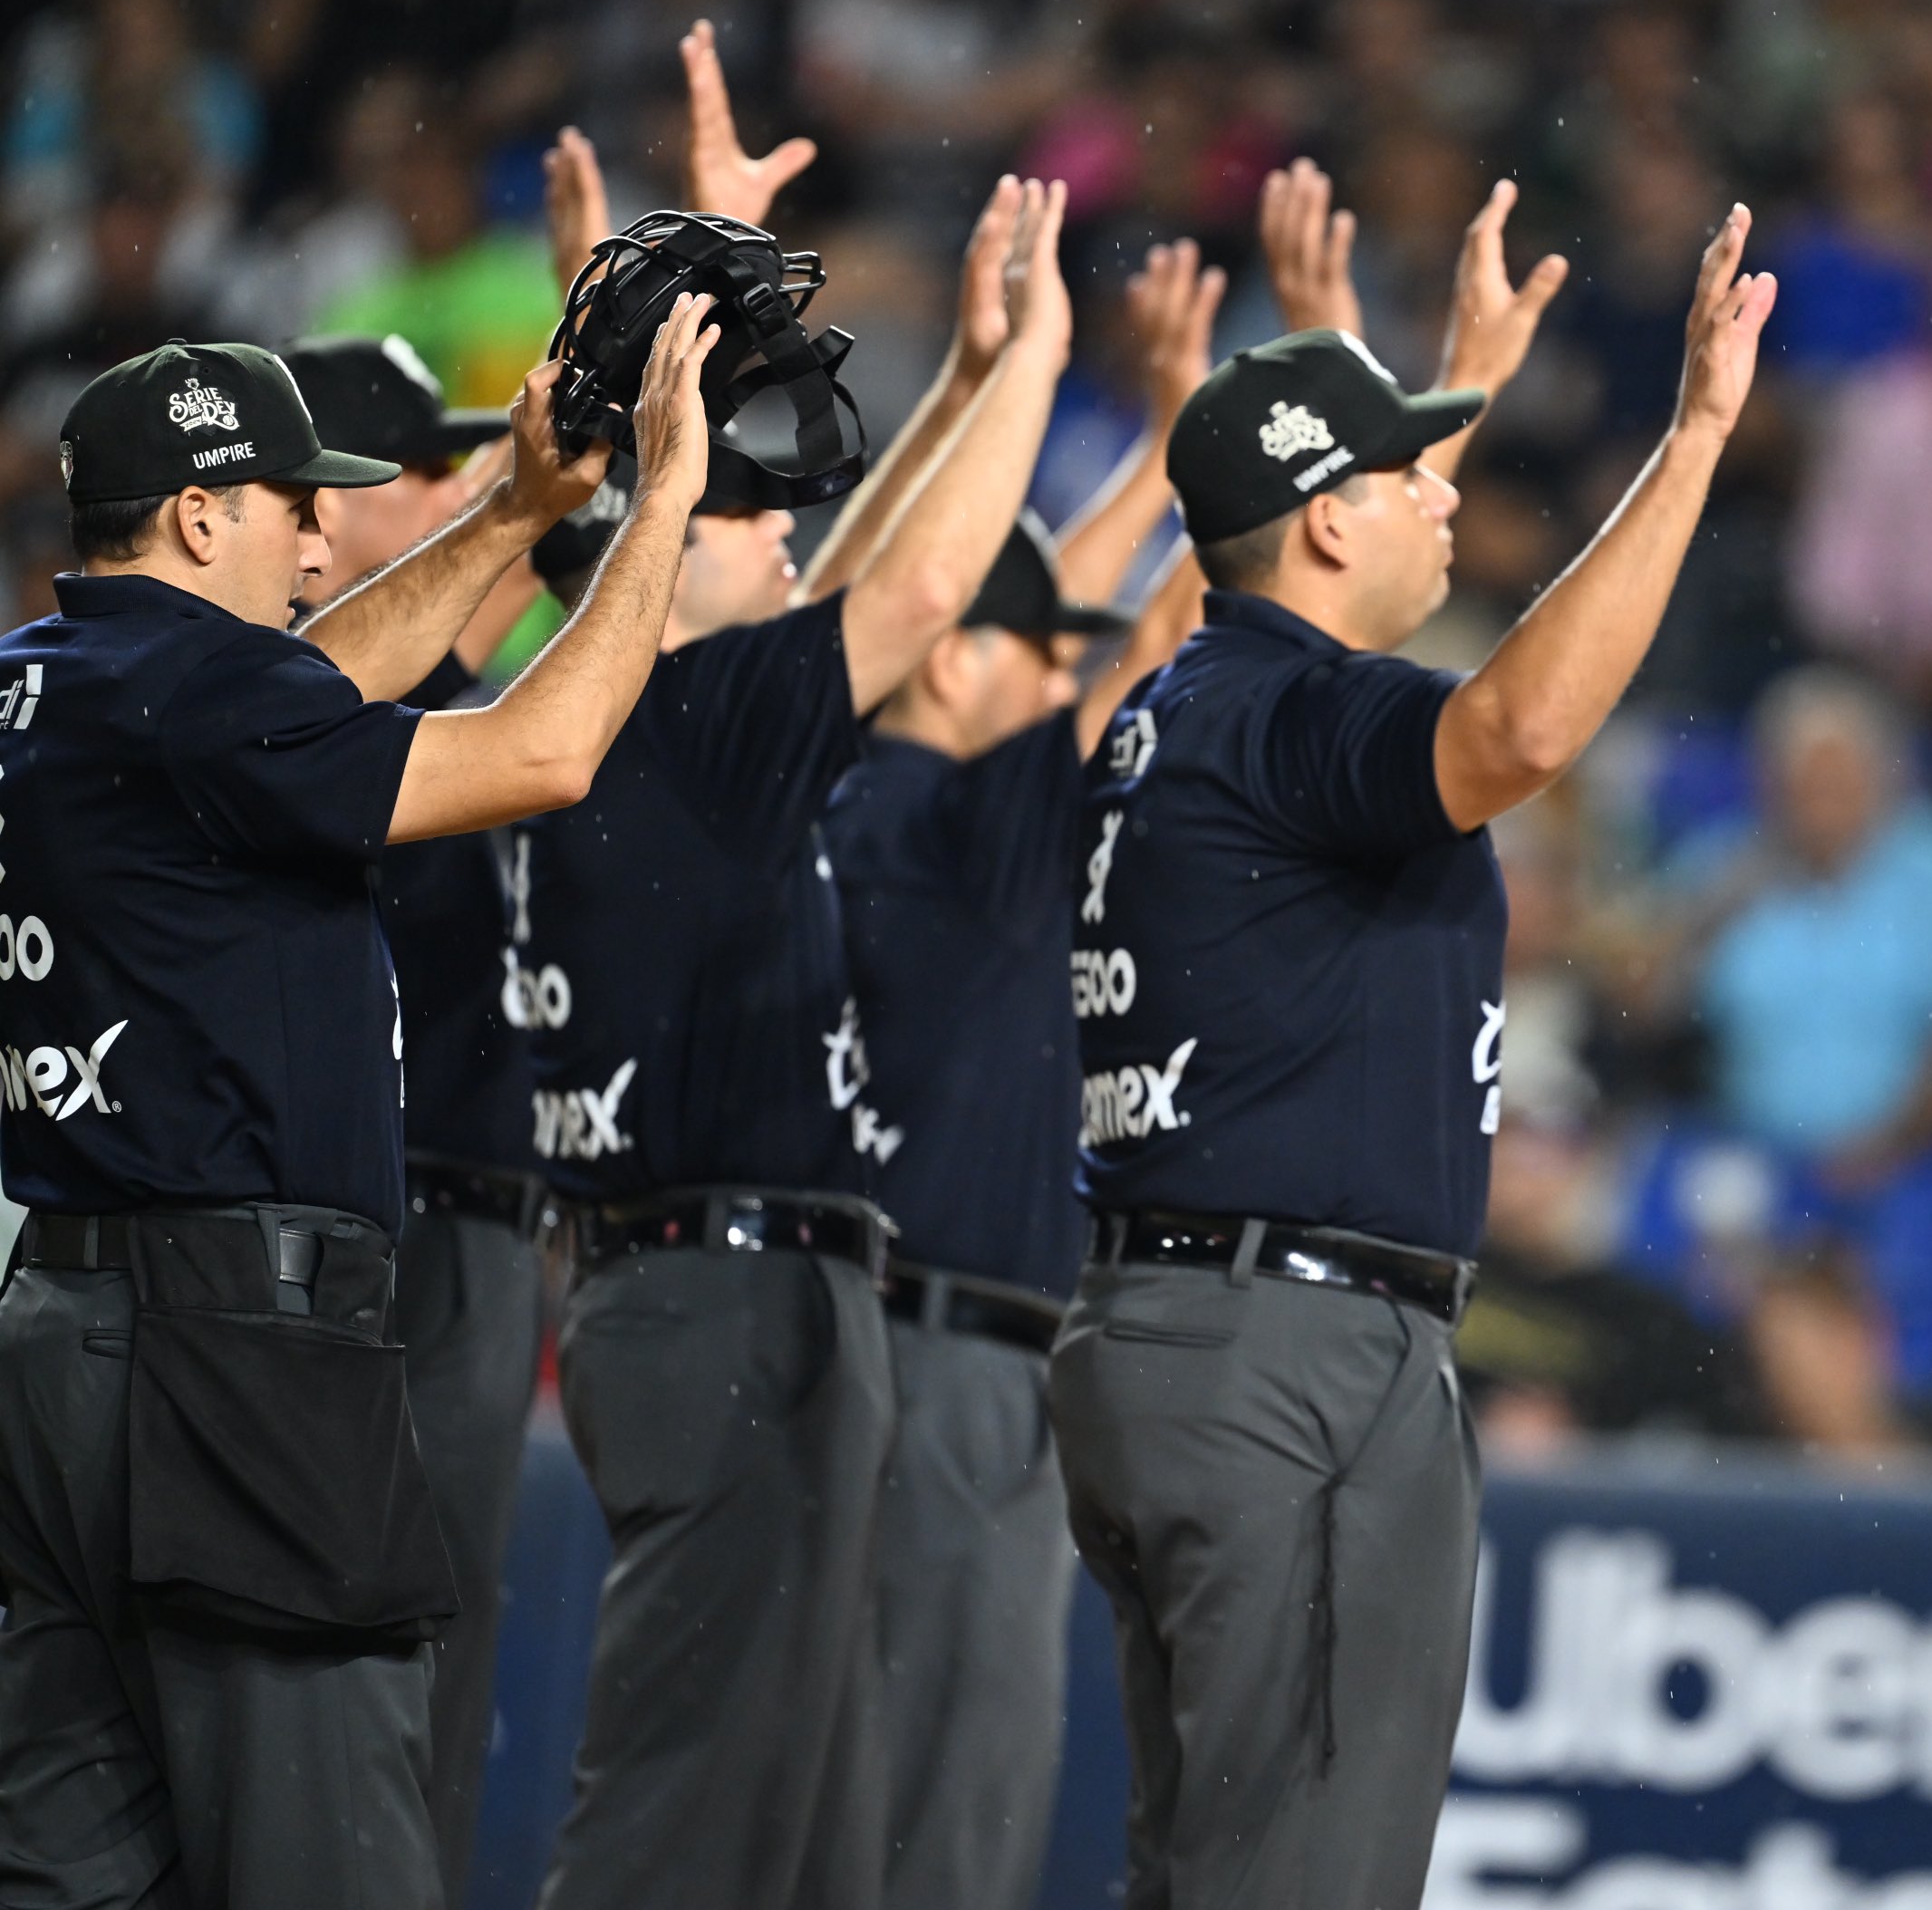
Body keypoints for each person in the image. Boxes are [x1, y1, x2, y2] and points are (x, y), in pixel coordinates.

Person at [1053, 191, 1773, 1906]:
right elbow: (1520, 724)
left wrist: (1435, 380)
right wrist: (1693, 441)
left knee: (1208, 1869)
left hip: (1176, 1328)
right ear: (1316, 525)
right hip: (1292, 1354)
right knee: (1299, 1877)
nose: (1448, 493)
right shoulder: (1302, 715)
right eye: (1406, 476)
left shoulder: (1182, 708)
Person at [0, 303, 713, 1909]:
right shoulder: (195, 702)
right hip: (233, 1362)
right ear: (200, 513)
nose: (324, 530)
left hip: (60, 1334)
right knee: (333, 1861)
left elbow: (295, 694)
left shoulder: (50, 686)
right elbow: (540, 752)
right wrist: (655, 510)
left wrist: (515, 517)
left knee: (72, 1868)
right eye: (295, 500)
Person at [525, 175, 1073, 1910]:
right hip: (724, 1301)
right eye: (746, 517)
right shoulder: (685, 716)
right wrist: (1034, 363)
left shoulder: (649, 714)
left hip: (710, 1287)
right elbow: (902, 595)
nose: (785, 540)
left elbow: (848, 576)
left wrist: (975, 375)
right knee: (689, 1825)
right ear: (657, 550)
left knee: (805, 1827)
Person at [821, 231, 1218, 1910]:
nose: (1065, 675)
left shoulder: (840, 786)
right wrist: (1208, 462)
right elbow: (1168, 655)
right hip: (949, 1363)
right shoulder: (957, 814)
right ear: (956, 660)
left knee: (850, 1792)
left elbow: (1037, 605)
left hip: (866, 1341)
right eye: (1036, 655)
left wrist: (1156, 453)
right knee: (948, 1818)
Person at [279, 329, 544, 1907]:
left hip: (461, 1219)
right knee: (353, 1656)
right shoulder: (271, 712)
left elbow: (535, 536)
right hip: (367, 1229)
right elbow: (532, 565)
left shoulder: (389, 676)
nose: (454, 491)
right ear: (317, 508)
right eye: (419, 469)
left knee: (433, 1654)